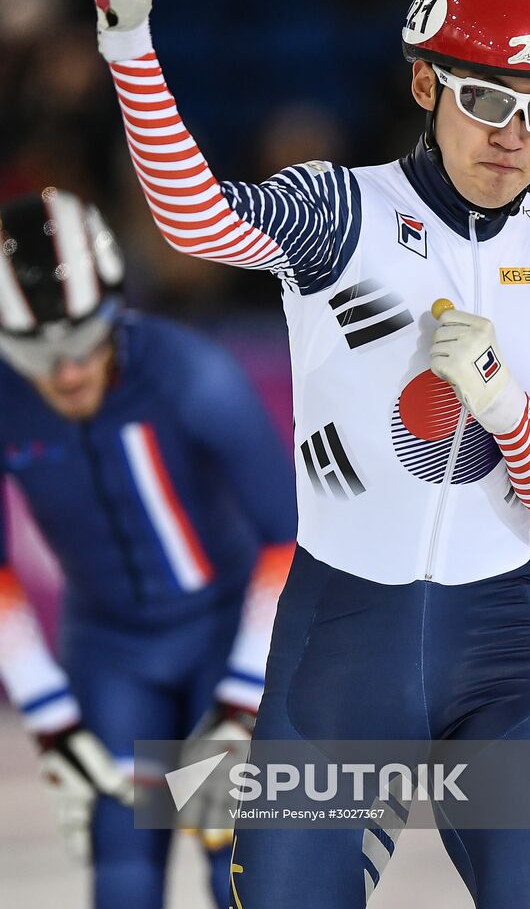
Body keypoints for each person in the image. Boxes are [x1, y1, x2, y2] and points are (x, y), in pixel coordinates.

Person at [88, 0, 530, 908]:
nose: (513, 135)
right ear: (424, 85)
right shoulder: (339, 212)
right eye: (486, 100)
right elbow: (191, 218)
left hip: (499, 658)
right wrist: (128, 44)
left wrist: (501, 400)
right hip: (339, 650)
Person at [0, 187, 296, 909]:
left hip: (223, 629)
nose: (66, 372)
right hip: (109, 652)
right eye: (35, 350)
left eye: (82, 340)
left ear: (115, 306)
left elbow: (291, 540)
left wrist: (242, 699)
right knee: (122, 870)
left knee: (237, 864)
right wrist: (50, 717)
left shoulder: (192, 376)